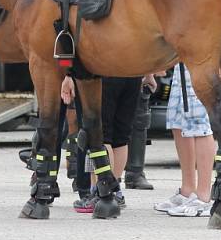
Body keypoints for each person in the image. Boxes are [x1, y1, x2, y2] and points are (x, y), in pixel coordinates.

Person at [154, 0, 215, 218]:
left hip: (201, 56)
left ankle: (205, 195)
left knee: (200, 125)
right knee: (180, 123)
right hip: (181, 57)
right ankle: (187, 189)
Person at [65, 74, 157, 212]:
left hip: (103, 74)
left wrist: (69, 75)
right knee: (121, 138)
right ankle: (116, 192)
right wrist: (149, 74)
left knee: (100, 136)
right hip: (133, 75)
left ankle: (101, 191)